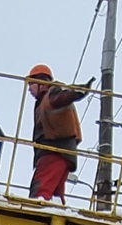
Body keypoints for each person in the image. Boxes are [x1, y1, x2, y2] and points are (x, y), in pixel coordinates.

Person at [26, 65, 89, 201]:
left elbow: (63, 96)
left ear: (42, 83)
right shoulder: (43, 101)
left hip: (54, 151)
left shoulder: (52, 92)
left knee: (40, 192)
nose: (29, 89)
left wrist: (77, 91)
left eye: (31, 84)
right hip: (61, 152)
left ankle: (35, 215)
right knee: (55, 195)